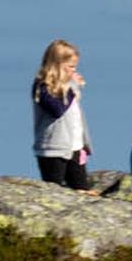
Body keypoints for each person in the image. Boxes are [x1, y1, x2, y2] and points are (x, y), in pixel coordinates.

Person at [32, 39, 93, 190]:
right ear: (57, 64)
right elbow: (57, 110)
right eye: (70, 67)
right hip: (53, 150)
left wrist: (85, 144)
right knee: (55, 191)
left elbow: (77, 118)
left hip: (76, 149)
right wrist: (72, 85)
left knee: (81, 191)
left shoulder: (69, 89)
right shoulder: (42, 86)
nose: (74, 71)